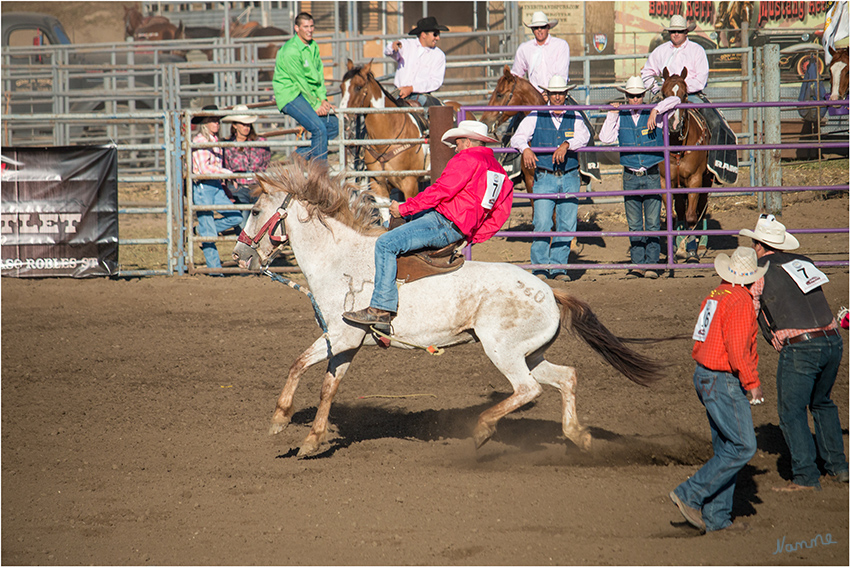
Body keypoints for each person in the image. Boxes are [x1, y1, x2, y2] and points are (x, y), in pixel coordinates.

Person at [342, 120, 514, 328]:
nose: (456, 147)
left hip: (443, 222)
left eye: (458, 142)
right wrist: (472, 236)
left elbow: (441, 191)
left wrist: (405, 208)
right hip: (458, 228)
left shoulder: (467, 159)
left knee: (386, 243)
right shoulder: (498, 171)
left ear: (468, 142)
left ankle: (380, 308)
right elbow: (500, 212)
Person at [740, 214, 849, 490]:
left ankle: (805, 476)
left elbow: (749, 313)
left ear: (758, 245)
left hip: (801, 346)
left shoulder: (759, 270)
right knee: (822, 403)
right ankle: (838, 467)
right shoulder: (805, 263)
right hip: (832, 340)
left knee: (792, 411)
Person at [670, 246, 767, 534]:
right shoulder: (740, 300)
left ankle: (717, 518)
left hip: (704, 374)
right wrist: (752, 383)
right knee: (743, 445)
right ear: (753, 278)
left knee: (727, 447)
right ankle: (690, 494)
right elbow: (738, 350)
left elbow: (701, 335)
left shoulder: (715, 295)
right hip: (722, 379)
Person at [509, 75, 589, 282]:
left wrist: (566, 144)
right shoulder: (536, 115)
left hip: (570, 175)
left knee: (566, 224)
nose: (557, 97)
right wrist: (525, 148)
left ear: (565, 94)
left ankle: (558, 267)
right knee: (542, 222)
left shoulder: (575, 116)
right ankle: (541, 267)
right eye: (554, 93)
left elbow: (585, 136)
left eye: (561, 93)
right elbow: (517, 137)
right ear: (548, 94)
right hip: (544, 175)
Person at [641, 15, 737, 185]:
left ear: (686, 32)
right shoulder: (661, 51)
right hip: (665, 96)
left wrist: (682, 89)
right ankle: (644, 167)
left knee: (715, 122)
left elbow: (701, 79)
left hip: (690, 95)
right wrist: (657, 89)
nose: (676, 34)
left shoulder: (697, 50)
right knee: (643, 123)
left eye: (679, 31)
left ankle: (713, 165)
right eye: (673, 31)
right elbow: (646, 73)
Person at [599, 76, 665, 279]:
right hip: (630, 174)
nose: (635, 100)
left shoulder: (657, 113)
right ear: (626, 96)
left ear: (643, 96)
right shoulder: (619, 116)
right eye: (631, 96)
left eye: (638, 96)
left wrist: (656, 109)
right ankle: (638, 263)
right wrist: (611, 114)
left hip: (651, 172)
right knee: (635, 222)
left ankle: (652, 263)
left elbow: (676, 101)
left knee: (653, 222)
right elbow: (605, 139)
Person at [272, 12, 338, 161]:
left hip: (306, 94)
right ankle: (320, 174)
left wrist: (323, 99)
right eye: (305, 26)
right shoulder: (291, 51)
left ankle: (300, 155)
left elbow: (318, 75)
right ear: (297, 28)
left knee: (334, 125)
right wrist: (315, 105)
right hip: (290, 95)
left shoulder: (313, 46)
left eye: (312, 26)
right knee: (319, 129)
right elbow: (300, 82)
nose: (310, 30)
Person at [191, 104, 243, 270]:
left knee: (236, 217)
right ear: (205, 122)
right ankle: (215, 270)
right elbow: (204, 169)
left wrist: (224, 179)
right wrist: (227, 173)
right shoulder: (199, 141)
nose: (217, 123)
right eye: (212, 120)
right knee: (210, 234)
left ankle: (201, 229)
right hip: (203, 186)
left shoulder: (214, 140)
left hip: (215, 185)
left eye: (217, 120)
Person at [222, 104, 271, 226]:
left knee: (260, 224)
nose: (246, 127)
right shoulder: (228, 146)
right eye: (243, 124)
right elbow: (226, 167)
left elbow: (266, 161)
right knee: (243, 224)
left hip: (257, 187)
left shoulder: (260, 142)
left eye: (248, 124)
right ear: (235, 125)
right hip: (239, 188)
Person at [384, 16, 448, 107]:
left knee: (435, 111)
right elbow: (389, 51)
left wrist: (411, 88)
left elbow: (435, 82)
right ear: (423, 35)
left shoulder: (439, 55)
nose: (437, 38)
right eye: (435, 34)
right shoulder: (407, 45)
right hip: (399, 93)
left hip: (420, 95)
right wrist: (393, 46)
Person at [511, 11, 571, 94]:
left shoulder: (560, 45)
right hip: (533, 97)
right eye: (536, 27)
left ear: (548, 28)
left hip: (556, 94)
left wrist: (549, 93)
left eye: (542, 27)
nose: (539, 30)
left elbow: (561, 74)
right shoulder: (524, 49)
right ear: (532, 29)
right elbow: (516, 74)